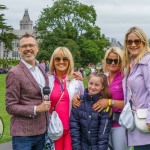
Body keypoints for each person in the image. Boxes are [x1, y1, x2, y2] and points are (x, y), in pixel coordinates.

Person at [6, 33, 51, 150]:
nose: (28, 49)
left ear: (37, 48)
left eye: (31, 45)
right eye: (24, 46)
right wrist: (36, 109)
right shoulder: (14, 73)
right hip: (23, 135)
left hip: (41, 131)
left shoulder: (41, 68)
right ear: (19, 50)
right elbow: (10, 106)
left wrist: (74, 76)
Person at [93, 47, 130, 150]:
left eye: (116, 60)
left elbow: (130, 103)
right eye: (110, 60)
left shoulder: (125, 78)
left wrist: (110, 102)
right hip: (102, 124)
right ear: (106, 61)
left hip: (120, 124)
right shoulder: (103, 77)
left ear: (121, 61)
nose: (113, 63)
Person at [48, 47, 84, 150]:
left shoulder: (77, 81)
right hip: (53, 129)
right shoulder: (47, 80)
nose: (61, 62)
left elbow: (84, 103)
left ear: (69, 61)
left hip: (71, 130)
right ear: (53, 61)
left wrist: (78, 99)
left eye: (65, 59)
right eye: (57, 59)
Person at [123, 26, 150, 150]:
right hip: (136, 122)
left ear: (143, 42)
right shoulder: (131, 64)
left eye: (137, 41)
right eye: (129, 42)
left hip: (146, 121)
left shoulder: (147, 62)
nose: (133, 45)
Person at [70, 72, 112, 150]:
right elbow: (74, 128)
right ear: (87, 83)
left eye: (97, 85)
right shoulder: (78, 102)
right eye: (91, 83)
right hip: (82, 146)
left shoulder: (103, 105)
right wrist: (77, 147)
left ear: (102, 87)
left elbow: (103, 134)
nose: (93, 87)